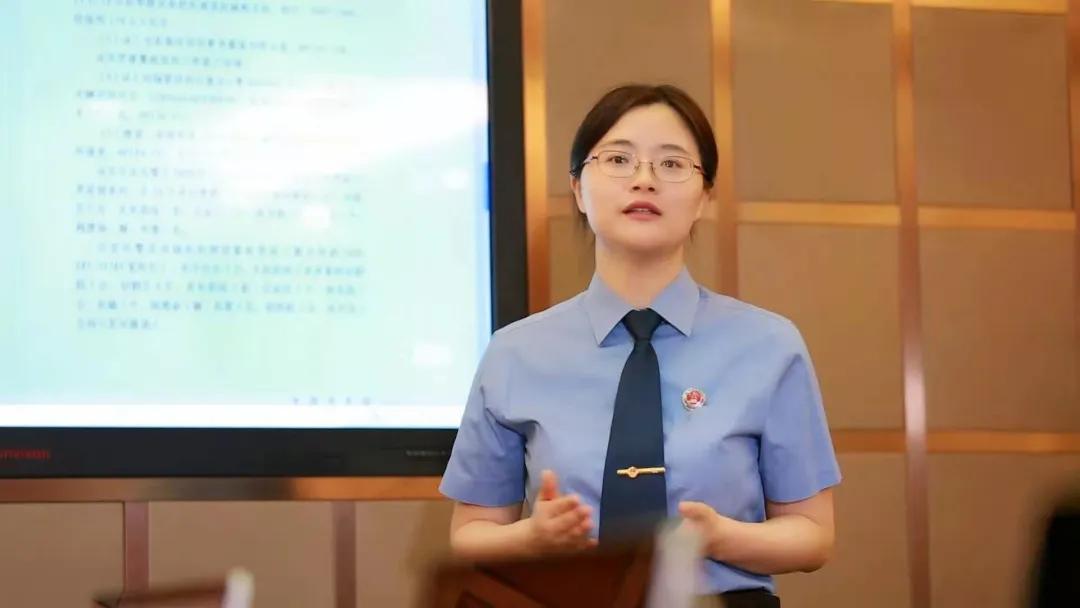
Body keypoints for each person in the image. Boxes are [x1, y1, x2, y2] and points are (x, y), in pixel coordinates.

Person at [439, 83, 841, 605]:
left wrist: (720, 537)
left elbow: (812, 534)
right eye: (618, 160)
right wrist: (531, 540)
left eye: (672, 164)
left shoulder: (769, 345)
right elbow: (470, 533)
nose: (644, 179)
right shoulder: (515, 352)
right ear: (578, 189)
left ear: (704, 197)